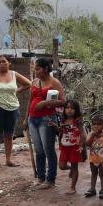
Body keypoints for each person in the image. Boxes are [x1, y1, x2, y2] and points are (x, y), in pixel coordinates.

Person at [27, 58, 66, 189]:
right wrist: (26, 118)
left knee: (48, 149)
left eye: (37, 69)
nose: (35, 71)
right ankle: (40, 177)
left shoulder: (55, 82)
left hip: (47, 119)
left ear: (45, 69)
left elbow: (63, 101)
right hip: (32, 119)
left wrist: (46, 103)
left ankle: (51, 179)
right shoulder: (34, 82)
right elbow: (30, 100)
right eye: (35, 69)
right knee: (38, 150)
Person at [57, 100, 87, 195]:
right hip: (65, 146)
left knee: (75, 167)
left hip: (75, 147)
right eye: (67, 108)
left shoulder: (78, 121)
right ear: (64, 109)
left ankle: (72, 188)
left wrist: (81, 146)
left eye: (72, 108)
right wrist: (54, 126)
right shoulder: (62, 120)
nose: (69, 110)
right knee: (61, 166)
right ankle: (70, 169)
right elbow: (61, 131)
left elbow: (83, 135)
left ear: (76, 110)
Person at [84, 116, 103, 199]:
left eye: (99, 124)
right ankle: (92, 189)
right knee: (93, 174)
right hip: (93, 159)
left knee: (102, 174)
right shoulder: (90, 134)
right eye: (94, 124)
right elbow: (87, 144)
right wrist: (93, 135)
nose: (96, 126)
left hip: (102, 160)